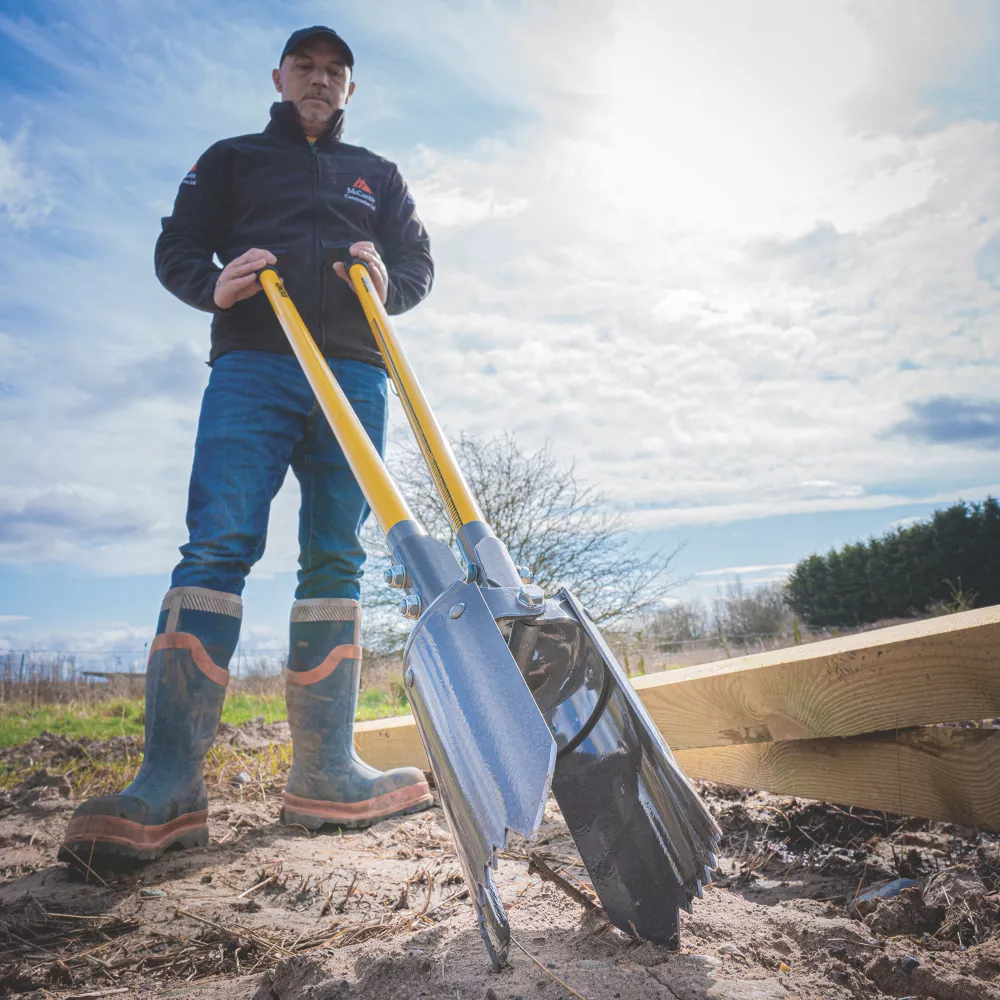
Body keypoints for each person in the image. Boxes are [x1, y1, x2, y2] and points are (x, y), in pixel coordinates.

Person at [60, 26, 435, 867]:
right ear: (279, 76)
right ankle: (169, 785)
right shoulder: (231, 158)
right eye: (306, 66)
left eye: (335, 70)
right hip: (253, 366)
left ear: (350, 89)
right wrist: (212, 286)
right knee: (217, 544)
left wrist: (389, 283)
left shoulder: (377, 173)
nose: (320, 79)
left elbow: (418, 264)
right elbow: (177, 245)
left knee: (337, 556)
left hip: (355, 373)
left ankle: (325, 774)